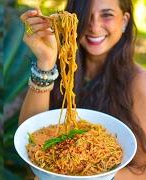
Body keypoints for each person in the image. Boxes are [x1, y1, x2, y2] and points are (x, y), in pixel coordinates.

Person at [19, 0, 146, 179]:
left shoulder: (141, 83)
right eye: (85, 16)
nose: (94, 27)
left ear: (124, 21)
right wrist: (46, 62)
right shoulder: (61, 68)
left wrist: (91, 175)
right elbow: (29, 137)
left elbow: (142, 171)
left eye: (107, 15)